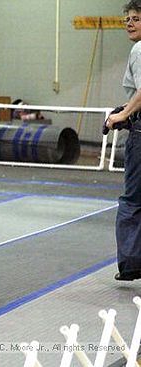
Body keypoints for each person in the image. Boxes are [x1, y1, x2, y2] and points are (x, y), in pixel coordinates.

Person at [106, 0, 141, 281]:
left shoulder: (140, 49)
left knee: (132, 199)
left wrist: (124, 114)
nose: (129, 23)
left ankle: (130, 263)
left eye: (136, 18)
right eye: (127, 19)